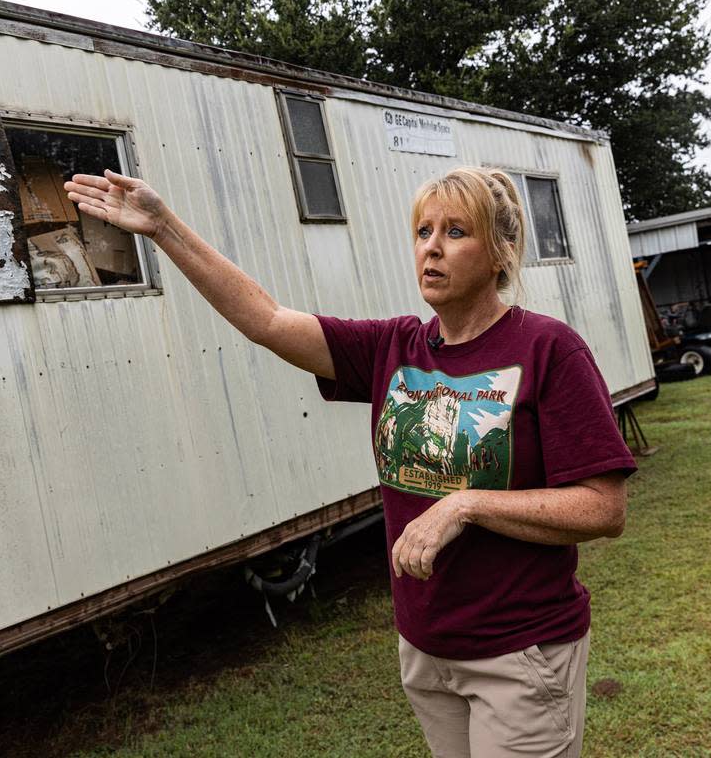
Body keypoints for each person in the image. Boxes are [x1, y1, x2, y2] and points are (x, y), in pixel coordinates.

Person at [65, 166, 637, 758]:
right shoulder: (394, 347)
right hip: (426, 649)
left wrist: (467, 505)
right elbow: (266, 321)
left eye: (457, 232)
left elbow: (603, 507)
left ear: (501, 252)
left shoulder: (548, 348)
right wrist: (164, 228)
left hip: (519, 652)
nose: (432, 248)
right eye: (422, 232)